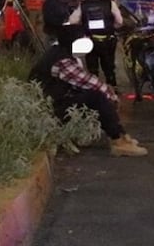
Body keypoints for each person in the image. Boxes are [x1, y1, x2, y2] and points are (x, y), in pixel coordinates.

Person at [28, 24, 147, 157]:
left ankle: (120, 135)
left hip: (52, 101)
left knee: (95, 96)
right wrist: (111, 96)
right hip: (48, 110)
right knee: (97, 97)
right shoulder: (62, 60)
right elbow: (88, 82)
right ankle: (118, 140)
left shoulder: (60, 51)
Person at [68, 0, 124, 88]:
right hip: (108, 41)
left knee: (92, 68)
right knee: (109, 68)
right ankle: (112, 90)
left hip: (90, 41)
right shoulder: (110, 3)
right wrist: (112, 27)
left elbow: (72, 20)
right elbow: (120, 22)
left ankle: (93, 89)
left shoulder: (84, 4)